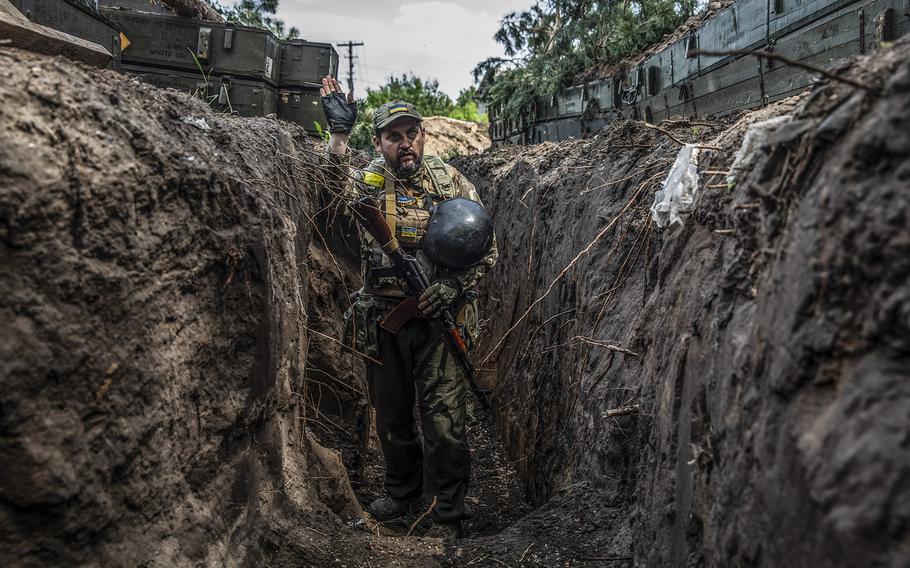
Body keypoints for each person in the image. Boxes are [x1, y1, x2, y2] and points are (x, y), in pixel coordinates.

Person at [319, 76, 498, 538]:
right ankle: (402, 495)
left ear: (423, 135)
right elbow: (326, 191)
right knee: (393, 416)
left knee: (444, 421)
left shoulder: (451, 182)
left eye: (411, 133)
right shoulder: (366, 182)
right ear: (378, 142)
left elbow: (486, 249)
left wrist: (455, 285)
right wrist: (338, 137)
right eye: (394, 136)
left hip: (440, 322)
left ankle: (450, 512)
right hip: (384, 320)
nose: (406, 143)